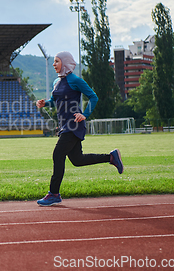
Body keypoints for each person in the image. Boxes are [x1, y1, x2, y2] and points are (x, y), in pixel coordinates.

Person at [35, 51, 123, 206]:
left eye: (57, 61)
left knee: (57, 155)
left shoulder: (75, 80)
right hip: (65, 126)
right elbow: (55, 100)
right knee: (77, 160)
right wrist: (45, 103)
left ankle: (54, 193)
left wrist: (85, 114)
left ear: (65, 62)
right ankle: (111, 157)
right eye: (54, 62)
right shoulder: (57, 81)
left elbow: (93, 96)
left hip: (74, 125)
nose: (54, 64)